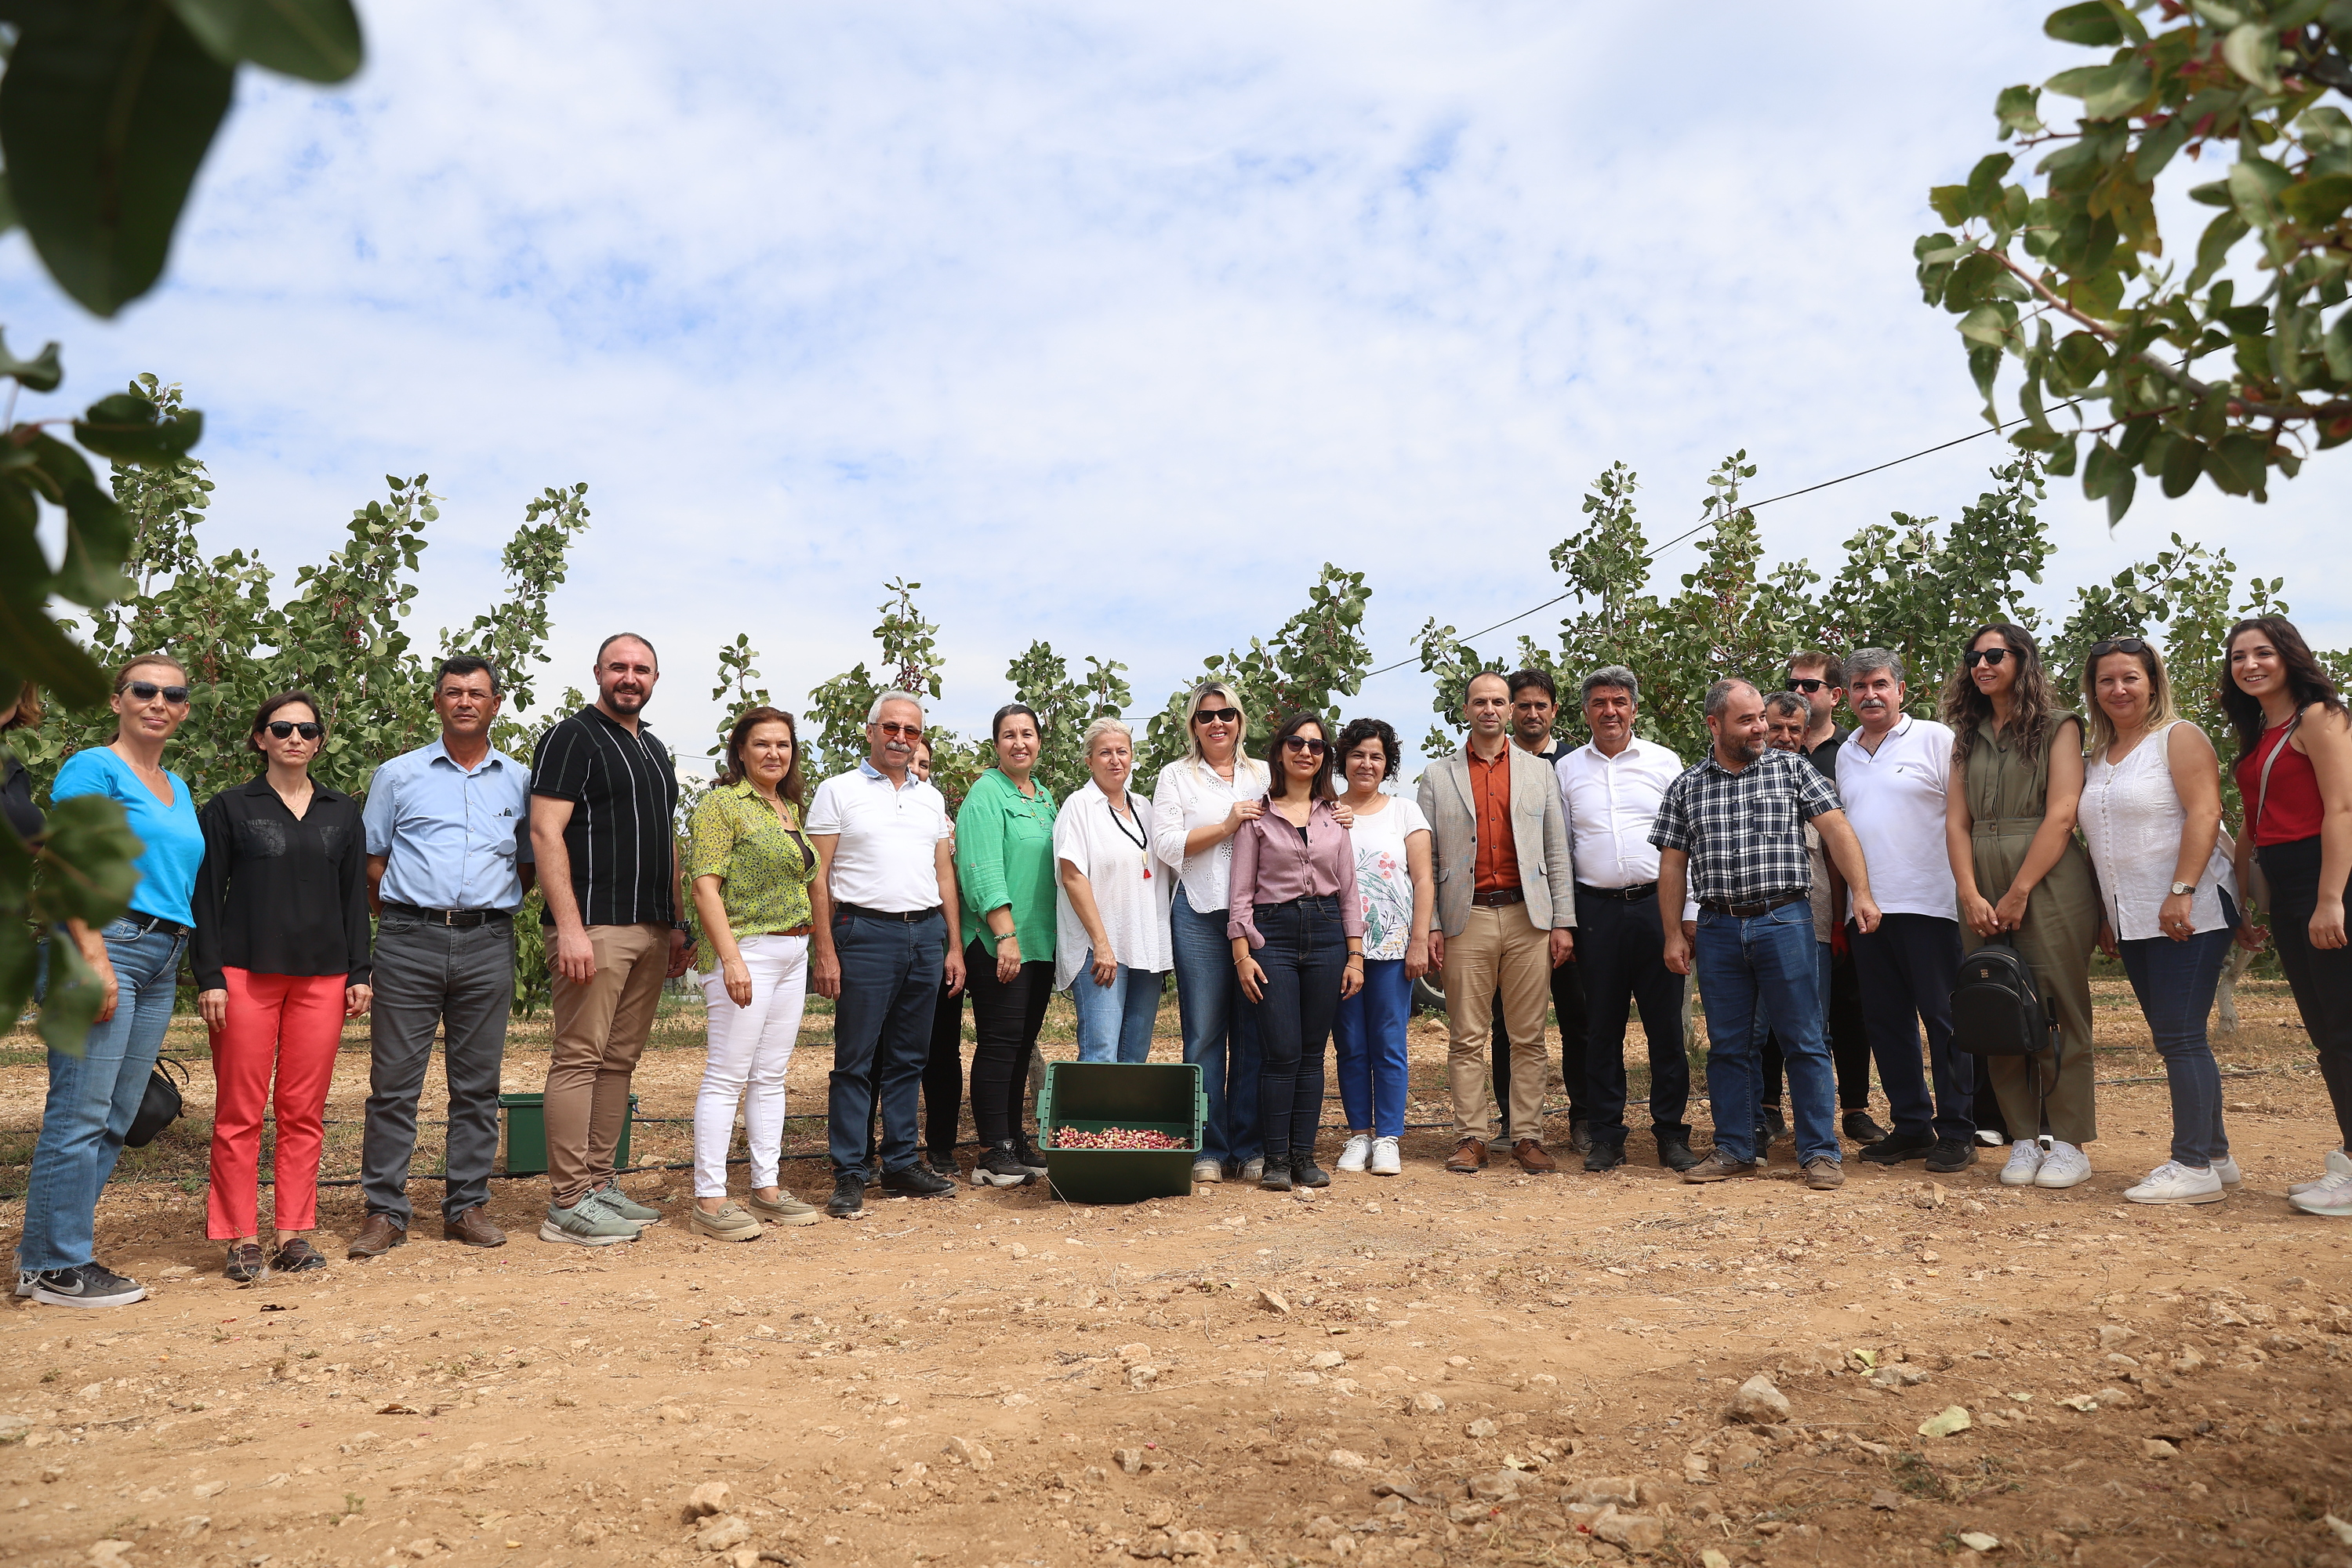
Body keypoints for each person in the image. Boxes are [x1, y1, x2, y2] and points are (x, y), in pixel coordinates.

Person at [17, 657, 205, 1308]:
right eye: (144, 690)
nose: (159, 701)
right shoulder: (93, 768)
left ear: (184, 708)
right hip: (106, 943)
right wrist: (93, 955)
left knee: (120, 1114)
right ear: (117, 699)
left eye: (173, 693)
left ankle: (55, 1254)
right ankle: (53, 1264)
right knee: (79, 1110)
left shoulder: (175, 785)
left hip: (160, 954)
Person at [1652, 678, 1882, 1190]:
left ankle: (1820, 1153)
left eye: (1762, 717)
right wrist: (1673, 933)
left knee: (1805, 1040)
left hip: (1785, 921)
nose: (1761, 728)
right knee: (1730, 1046)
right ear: (1714, 725)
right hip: (1717, 928)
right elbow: (1671, 866)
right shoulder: (1687, 786)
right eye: (1748, 720)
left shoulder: (1792, 769)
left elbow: (1838, 829)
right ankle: (1735, 1148)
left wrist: (1862, 894)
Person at [357, 655, 535, 1259]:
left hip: (488, 941)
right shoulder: (399, 775)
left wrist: (482, 913)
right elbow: (372, 864)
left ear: (495, 704)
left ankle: (466, 1207)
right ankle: (385, 1211)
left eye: (476, 693)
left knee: (478, 1085)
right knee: (394, 1086)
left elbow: (527, 866)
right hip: (410, 940)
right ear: (437, 703)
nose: (464, 701)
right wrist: (412, 920)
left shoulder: (520, 780)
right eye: (453, 692)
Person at [191, 692, 373, 1280]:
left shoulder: (342, 811)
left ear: (320, 741)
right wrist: (210, 975)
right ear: (260, 737)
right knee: (239, 1110)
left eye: (307, 729)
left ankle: (293, 1232)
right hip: (245, 975)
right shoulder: (228, 808)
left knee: (303, 1111)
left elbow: (354, 901)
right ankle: (240, 1235)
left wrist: (360, 971)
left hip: (323, 979)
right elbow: (205, 898)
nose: (295, 737)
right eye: (281, 728)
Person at [529, 633, 688, 1245]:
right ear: (598, 671)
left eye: (641, 668)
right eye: (619, 666)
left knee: (618, 1061)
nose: (630, 677)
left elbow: (667, 842)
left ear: (654, 678)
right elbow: (546, 832)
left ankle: (599, 1182)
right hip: (594, 925)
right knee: (578, 1058)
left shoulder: (654, 749)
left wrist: (675, 924)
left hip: (649, 927)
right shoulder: (572, 738)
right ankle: (566, 1201)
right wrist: (569, 926)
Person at [2080, 637, 2241, 1204]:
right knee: (2176, 1037)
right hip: (2134, 917)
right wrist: (2107, 912)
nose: (2119, 689)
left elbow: (2206, 811)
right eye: (2106, 680)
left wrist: (2182, 890)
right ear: (2093, 688)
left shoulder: (2179, 737)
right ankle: (2216, 1156)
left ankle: (2192, 1164)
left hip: (2187, 910)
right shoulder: (2097, 755)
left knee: (2179, 1038)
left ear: (2153, 682)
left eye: (2130, 677)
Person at [1941, 624, 2102, 1189]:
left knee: (2057, 1007)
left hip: (2048, 879)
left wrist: (2018, 891)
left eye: (1994, 654)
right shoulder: (1966, 735)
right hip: (1979, 877)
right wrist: (1969, 891)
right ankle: (2023, 1137)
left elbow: (2062, 813)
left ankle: (2071, 1141)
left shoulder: (2059, 726)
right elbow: (1956, 822)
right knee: (1994, 1007)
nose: (1981, 664)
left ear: (2022, 659)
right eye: (1974, 657)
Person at [809, 691, 965, 1217]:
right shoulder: (837, 791)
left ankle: (900, 1163)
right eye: (892, 727)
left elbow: (944, 872)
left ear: (920, 738)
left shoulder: (931, 798)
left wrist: (953, 945)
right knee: (855, 1062)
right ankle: (851, 1171)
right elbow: (819, 876)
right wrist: (825, 949)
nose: (901, 737)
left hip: (924, 936)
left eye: (912, 731)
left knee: (909, 1058)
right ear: (871, 730)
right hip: (864, 933)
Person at [1417, 671, 1577, 1174]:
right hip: (1467, 919)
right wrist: (1434, 924)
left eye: (1498, 701)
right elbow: (1427, 856)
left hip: (1529, 918)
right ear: (1466, 709)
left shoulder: (1539, 772)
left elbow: (1557, 850)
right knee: (1467, 1035)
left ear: (1510, 710)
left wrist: (1563, 921)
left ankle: (1527, 1135)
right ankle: (1471, 1137)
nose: (1490, 709)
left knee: (1529, 1036)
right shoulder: (1437, 776)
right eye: (1480, 701)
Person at [2222, 616, 2352, 1216]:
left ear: (2289, 656)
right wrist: (2248, 900)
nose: (2250, 664)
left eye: (2263, 653)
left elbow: (2342, 806)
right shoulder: (2259, 733)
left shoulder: (2322, 717)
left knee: (2345, 1029)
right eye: (2239, 656)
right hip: (2288, 887)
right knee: (2328, 1032)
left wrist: (2332, 899)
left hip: (2327, 881)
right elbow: (2252, 822)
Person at [683, 706, 823, 1241]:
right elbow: (705, 886)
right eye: (762, 744)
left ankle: (766, 1189)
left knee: (770, 1075)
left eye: (783, 745)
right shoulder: (724, 805)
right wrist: (732, 959)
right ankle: (710, 1199)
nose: (774, 753)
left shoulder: (787, 807)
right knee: (727, 1075)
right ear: (740, 751)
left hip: (792, 952)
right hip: (747, 950)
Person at [1838, 648, 1976, 1173]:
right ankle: (1912, 1125)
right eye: (1857, 686)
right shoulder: (1846, 753)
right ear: (1846, 695)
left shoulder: (1937, 740)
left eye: (1878, 684)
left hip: (1931, 903)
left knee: (1945, 1022)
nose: (1868, 694)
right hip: (1869, 911)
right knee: (1887, 1023)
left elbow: (1960, 817)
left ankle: (1957, 1128)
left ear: (1900, 689)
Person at [1554, 666, 1697, 1173]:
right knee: (1601, 1028)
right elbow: (1562, 849)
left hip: (1659, 907)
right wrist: (1563, 921)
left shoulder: (1664, 762)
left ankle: (1670, 1135)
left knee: (1665, 1029)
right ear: (1586, 711)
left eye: (1619, 702)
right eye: (1599, 703)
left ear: (1634, 708)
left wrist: (1688, 917)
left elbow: (1688, 840)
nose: (1609, 711)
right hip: (1595, 912)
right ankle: (1607, 1136)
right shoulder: (1567, 770)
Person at [1230, 713, 1365, 1190]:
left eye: (1316, 746)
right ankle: (1276, 1162)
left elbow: (1349, 891)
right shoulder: (1256, 816)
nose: (1306, 752)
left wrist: (1355, 956)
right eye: (1296, 743)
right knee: (1281, 1051)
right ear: (1280, 751)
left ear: (1324, 756)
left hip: (1328, 933)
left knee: (1312, 1052)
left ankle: (1304, 1157)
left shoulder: (1336, 818)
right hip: (1274, 936)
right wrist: (1242, 954)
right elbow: (1241, 894)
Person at [1152, 681, 1272, 1185]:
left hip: (1259, 919)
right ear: (1193, 726)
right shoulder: (1176, 777)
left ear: (1241, 721)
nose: (1217, 723)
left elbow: (1305, 814)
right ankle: (1206, 1146)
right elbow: (1165, 844)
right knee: (1203, 1034)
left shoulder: (1264, 773)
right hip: (1200, 916)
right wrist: (1226, 825)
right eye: (1206, 717)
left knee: (1253, 1034)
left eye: (1226, 714)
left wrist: (1344, 811)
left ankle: (1248, 1146)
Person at [1766, 649, 1883, 1145]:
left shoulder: (1850, 754)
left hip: (1845, 904)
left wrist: (1848, 906)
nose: (1800, 694)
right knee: (1777, 1015)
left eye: (1810, 686)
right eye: (1792, 684)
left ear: (1834, 695)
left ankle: (1854, 1107)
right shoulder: (1765, 753)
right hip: (1784, 912)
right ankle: (1770, 1107)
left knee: (1849, 1008)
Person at [1490, 669, 1593, 1152]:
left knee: (1579, 1020)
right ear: (1510, 710)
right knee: (1506, 1026)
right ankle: (1513, 1122)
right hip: (1507, 916)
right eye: (1522, 705)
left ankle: (1585, 1118)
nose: (1532, 713)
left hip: (1567, 915)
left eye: (1540, 705)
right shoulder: (1492, 767)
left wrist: (1565, 920)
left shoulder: (1575, 765)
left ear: (1554, 711)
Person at [956, 704, 1058, 1189]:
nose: (1020, 742)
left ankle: (1014, 1139)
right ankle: (990, 1150)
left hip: (1039, 941)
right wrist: (1005, 933)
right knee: (999, 1043)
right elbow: (981, 867)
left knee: (1021, 1045)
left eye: (1028, 734)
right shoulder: (985, 794)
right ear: (996, 744)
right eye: (1009, 735)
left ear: (1039, 742)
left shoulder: (1045, 799)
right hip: (1000, 941)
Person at [1331, 717, 1432, 1177]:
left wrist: (1418, 939)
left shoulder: (1405, 812)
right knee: (1350, 1044)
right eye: (1357, 754)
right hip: (1338, 948)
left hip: (1392, 945)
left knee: (1389, 1043)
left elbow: (1423, 879)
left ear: (1387, 763)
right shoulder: (1324, 809)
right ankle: (1358, 1134)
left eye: (1375, 755)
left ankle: (1389, 1136)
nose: (1366, 763)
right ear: (1343, 761)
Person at [1742, 693, 1842, 1156]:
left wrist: (1841, 918)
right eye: (1776, 727)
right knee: (1753, 1032)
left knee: (1810, 1033)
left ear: (1805, 735)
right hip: (1750, 926)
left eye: (1794, 731)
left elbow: (1840, 853)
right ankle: (1759, 1120)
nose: (1784, 738)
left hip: (1812, 928)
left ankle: (1816, 1140)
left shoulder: (1814, 784)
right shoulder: (1739, 781)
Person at [1055, 717, 1172, 1066]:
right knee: (1101, 1054)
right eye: (1104, 753)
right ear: (1089, 761)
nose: (1115, 760)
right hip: (1101, 952)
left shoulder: (1145, 808)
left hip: (1145, 952)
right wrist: (1102, 944)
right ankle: (1090, 1124)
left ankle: (1122, 1124)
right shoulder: (1079, 806)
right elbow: (1073, 876)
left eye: (1122, 751)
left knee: (1134, 1057)